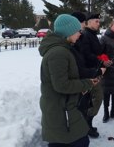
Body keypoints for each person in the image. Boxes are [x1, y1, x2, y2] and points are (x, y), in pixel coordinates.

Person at [39, 14, 96, 147]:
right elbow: (61, 85)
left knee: (80, 140)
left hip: (65, 109)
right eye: (78, 31)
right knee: (77, 142)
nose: (80, 34)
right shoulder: (58, 53)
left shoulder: (62, 49)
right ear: (68, 32)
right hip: (60, 112)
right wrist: (86, 84)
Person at [76, 13, 112, 137]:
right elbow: (87, 55)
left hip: (94, 71)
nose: (98, 23)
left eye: (98, 21)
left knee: (93, 100)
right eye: (96, 21)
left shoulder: (92, 34)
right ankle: (86, 126)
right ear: (88, 22)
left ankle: (88, 125)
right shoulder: (86, 35)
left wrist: (104, 56)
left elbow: (96, 51)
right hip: (89, 73)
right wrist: (101, 61)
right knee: (95, 99)